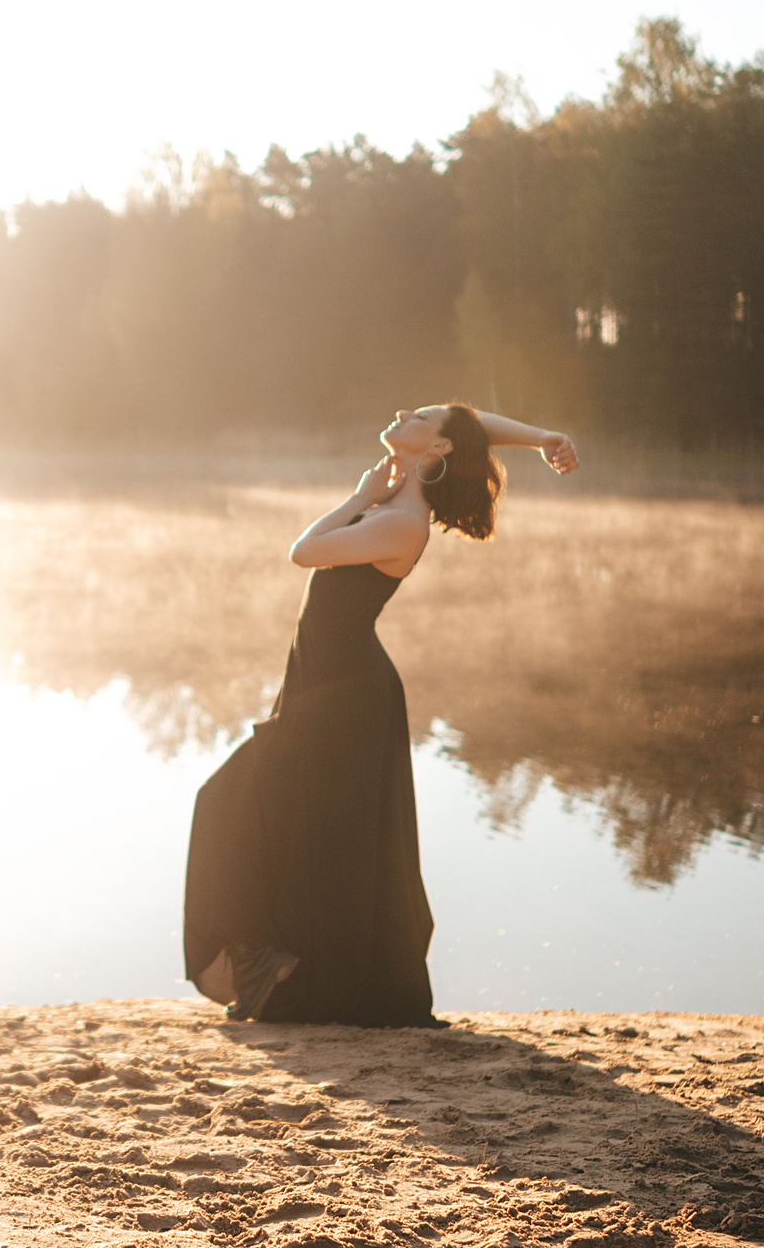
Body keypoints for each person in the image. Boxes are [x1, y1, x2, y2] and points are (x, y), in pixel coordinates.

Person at [182, 403, 579, 1026]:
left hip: (347, 696)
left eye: (418, 416)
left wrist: (358, 495)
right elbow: (469, 421)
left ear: (439, 450)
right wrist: (542, 437)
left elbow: (304, 553)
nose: (402, 411)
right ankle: (279, 969)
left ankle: (285, 971)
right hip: (325, 679)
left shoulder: (403, 523)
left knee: (253, 810)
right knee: (294, 824)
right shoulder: (401, 497)